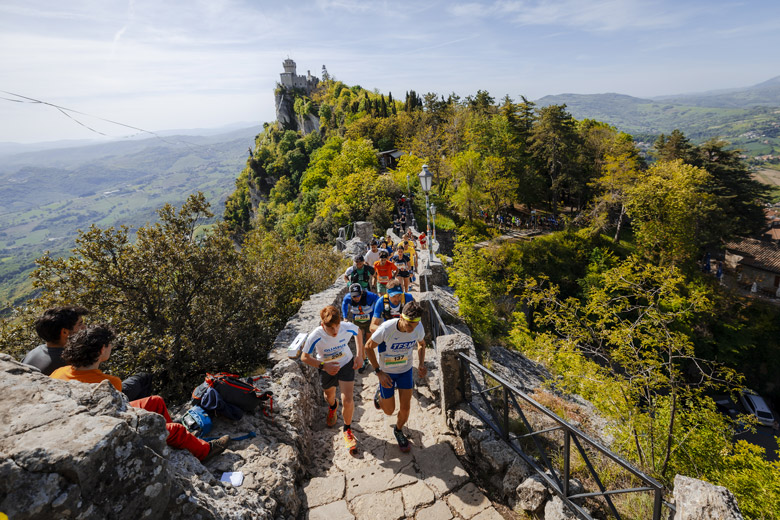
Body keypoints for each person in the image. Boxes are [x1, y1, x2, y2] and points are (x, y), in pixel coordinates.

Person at [50, 325, 229, 463]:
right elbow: (121, 417)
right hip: (100, 430)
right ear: (100, 351)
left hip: (82, 421)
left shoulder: (60, 372)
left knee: (155, 402)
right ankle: (204, 451)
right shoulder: (109, 383)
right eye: (109, 345)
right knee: (176, 429)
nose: (111, 347)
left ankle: (169, 439)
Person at [300, 305, 364, 454]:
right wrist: (324, 366)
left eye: (337, 326)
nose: (335, 332)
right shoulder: (315, 335)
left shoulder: (346, 327)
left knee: (347, 400)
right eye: (331, 328)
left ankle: (347, 430)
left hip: (346, 363)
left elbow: (358, 331)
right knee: (329, 396)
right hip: (326, 368)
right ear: (323, 325)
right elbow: (304, 357)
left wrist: (360, 355)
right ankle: (332, 407)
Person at [365, 301, 427, 452]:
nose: (411, 329)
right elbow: (368, 347)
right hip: (387, 373)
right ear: (401, 317)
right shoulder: (386, 328)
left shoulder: (417, 327)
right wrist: (378, 372)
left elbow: (422, 344)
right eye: (409, 324)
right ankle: (380, 394)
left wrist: (421, 364)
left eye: (415, 324)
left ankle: (398, 431)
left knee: (406, 408)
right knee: (388, 411)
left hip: (405, 370)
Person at [23, 305, 89, 376]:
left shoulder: (34, 352)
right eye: (80, 324)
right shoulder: (69, 361)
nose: (84, 327)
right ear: (64, 332)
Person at [342, 283, 379, 373]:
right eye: (354, 297)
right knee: (359, 342)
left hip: (369, 320)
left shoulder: (369, 295)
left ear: (361, 292)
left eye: (358, 296)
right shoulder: (348, 297)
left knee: (368, 340)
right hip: (357, 321)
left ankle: (371, 358)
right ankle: (364, 359)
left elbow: (378, 300)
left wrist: (376, 314)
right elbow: (344, 304)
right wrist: (345, 317)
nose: (356, 298)